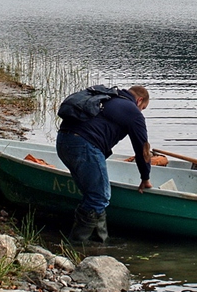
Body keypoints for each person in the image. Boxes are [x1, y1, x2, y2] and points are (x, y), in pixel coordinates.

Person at [56, 85, 153, 243]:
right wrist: (145, 177)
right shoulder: (133, 112)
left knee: (93, 194)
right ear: (139, 100)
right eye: (143, 108)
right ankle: (77, 243)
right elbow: (143, 149)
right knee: (99, 197)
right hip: (85, 145)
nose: (141, 111)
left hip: (63, 141)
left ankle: (100, 241)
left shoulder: (107, 98)